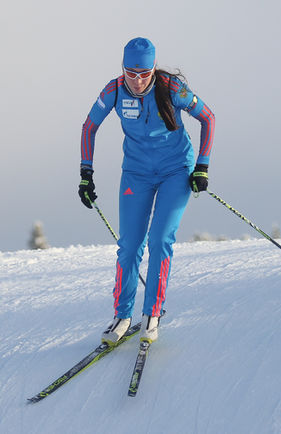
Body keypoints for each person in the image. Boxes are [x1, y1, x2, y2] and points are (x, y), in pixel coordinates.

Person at [77, 37, 215, 345]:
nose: (138, 81)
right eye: (131, 73)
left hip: (175, 171)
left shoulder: (170, 88)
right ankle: (122, 316)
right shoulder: (113, 91)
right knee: (129, 246)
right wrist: (86, 173)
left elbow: (208, 117)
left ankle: (152, 313)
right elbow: (89, 127)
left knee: (159, 239)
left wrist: (202, 166)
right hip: (136, 174)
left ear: (153, 69)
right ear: (122, 69)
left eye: (145, 73)